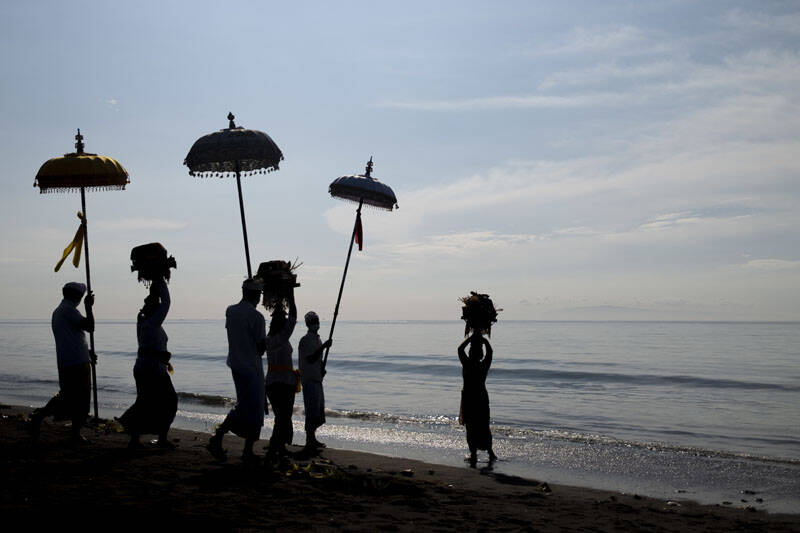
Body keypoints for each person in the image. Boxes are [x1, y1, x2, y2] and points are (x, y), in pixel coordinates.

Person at [208, 279, 267, 462]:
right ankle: (245, 450)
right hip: (251, 367)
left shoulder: (230, 311)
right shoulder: (257, 318)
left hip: (236, 365)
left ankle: (220, 439)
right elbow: (261, 349)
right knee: (255, 410)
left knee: (244, 405)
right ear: (255, 295)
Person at [29, 282, 95, 444]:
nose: (80, 300)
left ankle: (43, 418)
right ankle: (72, 432)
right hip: (76, 362)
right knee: (78, 397)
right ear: (76, 296)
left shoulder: (62, 311)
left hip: (72, 359)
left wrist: (87, 353)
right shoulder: (68, 311)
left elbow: (72, 338)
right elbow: (90, 327)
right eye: (80, 297)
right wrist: (89, 307)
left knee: (68, 396)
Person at [118, 277, 177, 449]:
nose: (159, 306)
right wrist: (161, 282)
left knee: (145, 402)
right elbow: (167, 303)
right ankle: (160, 439)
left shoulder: (146, 322)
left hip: (147, 367)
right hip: (151, 369)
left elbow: (150, 347)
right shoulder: (150, 323)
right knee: (168, 401)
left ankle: (136, 439)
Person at [264, 285, 298, 456]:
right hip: (283, 383)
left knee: (281, 416)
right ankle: (274, 446)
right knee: (283, 417)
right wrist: (291, 296)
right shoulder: (281, 337)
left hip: (271, 383)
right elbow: (293, 318)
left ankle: (278, 445)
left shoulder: (268, 340)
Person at [458, 332, 497, 467]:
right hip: (480, 398)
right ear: (480, 354)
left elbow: (459, 349)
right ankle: (490, 452)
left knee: (471, 427)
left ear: (470, 353)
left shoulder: (467, 364)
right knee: (483, 425)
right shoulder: (483, 365)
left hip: (470, 398)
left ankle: (474, 454)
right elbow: (490, 353)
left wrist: (471, 338)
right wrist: (483, 340)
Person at [298, 311, 332, 452]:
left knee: (318, 410)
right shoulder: (305, 340)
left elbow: (316, 359)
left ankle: (312, 438)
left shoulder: (317, 339)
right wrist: (324, 347)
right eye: (313, 322)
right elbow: (310, 358)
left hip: (317, 378)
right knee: (311, 410)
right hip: (309, 379)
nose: (315, 324)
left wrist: (322, 367)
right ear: (308, 324)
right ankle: (309, 440)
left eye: (316, 321)